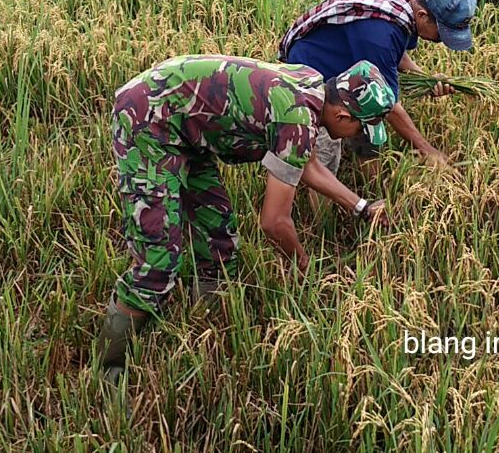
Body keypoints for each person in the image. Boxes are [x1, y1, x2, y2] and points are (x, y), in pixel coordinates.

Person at [96, 55, 396, 383]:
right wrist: (305, 269)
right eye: (358, 129)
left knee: (217, 240)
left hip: (186, 128)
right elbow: (273, 222)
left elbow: (306, 165)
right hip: (147, 120)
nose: (355, 137)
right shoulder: (297, 118)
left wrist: (362, 207)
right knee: (158, 262)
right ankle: (108, 371)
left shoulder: (312, 86)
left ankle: (205, 329)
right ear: (341, 114)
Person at [279, 0, 477, 172]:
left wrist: (424, 78)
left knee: (369, 135)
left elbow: (394, 52)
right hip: (314, 69)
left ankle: (369, 190)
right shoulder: (380, 33)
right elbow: (388, 105)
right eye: (442, 34)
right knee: (324, 159)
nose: (442, 41)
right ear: (422, 15)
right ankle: (330, 201)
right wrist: (426, 150)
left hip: (355, 69)